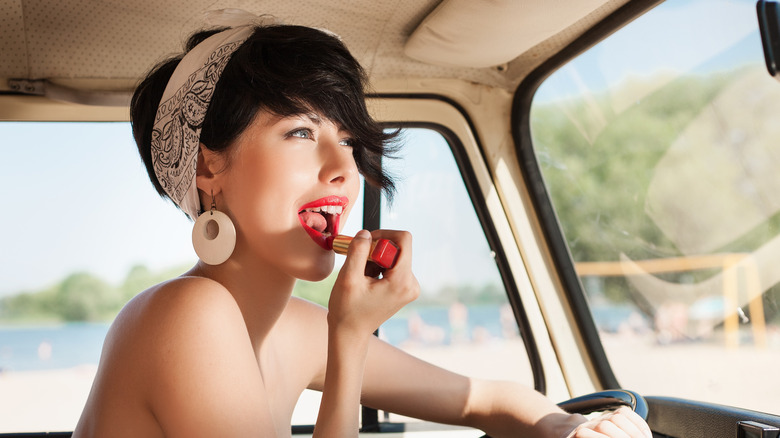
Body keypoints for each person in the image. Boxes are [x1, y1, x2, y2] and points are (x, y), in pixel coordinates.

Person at [73, 17, 652, 438]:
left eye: (349, 141)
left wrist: (569, 428)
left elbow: (487, 400)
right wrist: (349, 340)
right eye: (301, 132)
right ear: (208, 165)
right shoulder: (187, 314)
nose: (344, 168)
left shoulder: (295, 328)